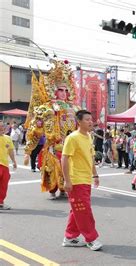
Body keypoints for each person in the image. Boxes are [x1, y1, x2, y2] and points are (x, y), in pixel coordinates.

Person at [24, 59, 80, 199]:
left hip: (70, 146)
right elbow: (35, 130)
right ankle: (53, 189)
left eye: (66, 90)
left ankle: (64, 189)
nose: (63, 93)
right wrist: (28, 151)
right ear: (53, 90)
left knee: (68, 169)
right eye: (60, 90)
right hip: (53, 146)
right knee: (53, 169)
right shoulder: (47, 108)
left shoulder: (75, 109)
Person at [61, 110, 102, 251]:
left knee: (77, 210)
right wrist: (67, 180)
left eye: (91, 119)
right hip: (76, 180)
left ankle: (70, 237)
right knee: (84, 211)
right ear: (79, 122)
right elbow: (64, 158)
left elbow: (90, 158)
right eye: (87, 119)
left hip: (85, 179)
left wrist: (95, 175)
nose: (91, 122)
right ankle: (91, 238)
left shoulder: (89, 137)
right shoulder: (72, 138)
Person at [0, 122, 17, 210]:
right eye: (1, 126)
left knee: (4, 185)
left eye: (3, 126)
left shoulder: (8, 138)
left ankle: (1, 203)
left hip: (5, 165)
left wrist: (14, 161)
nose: (2, 128)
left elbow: (10, 151)